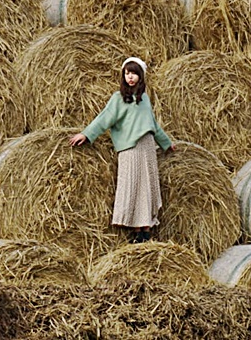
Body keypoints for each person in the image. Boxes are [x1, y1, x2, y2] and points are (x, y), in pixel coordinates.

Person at [69, 56, 175, 243]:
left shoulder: (144, 100)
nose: (130, 77)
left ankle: (146, 229)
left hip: (147, 147)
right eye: (127, 73)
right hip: (130, 148)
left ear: (141, 76)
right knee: (132, 185)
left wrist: (166, 143)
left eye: (134, 73)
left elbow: (154, 125)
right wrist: (86, 134)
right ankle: (135, 229)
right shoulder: (118, 99)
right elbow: (104, 119)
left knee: (147, 186)